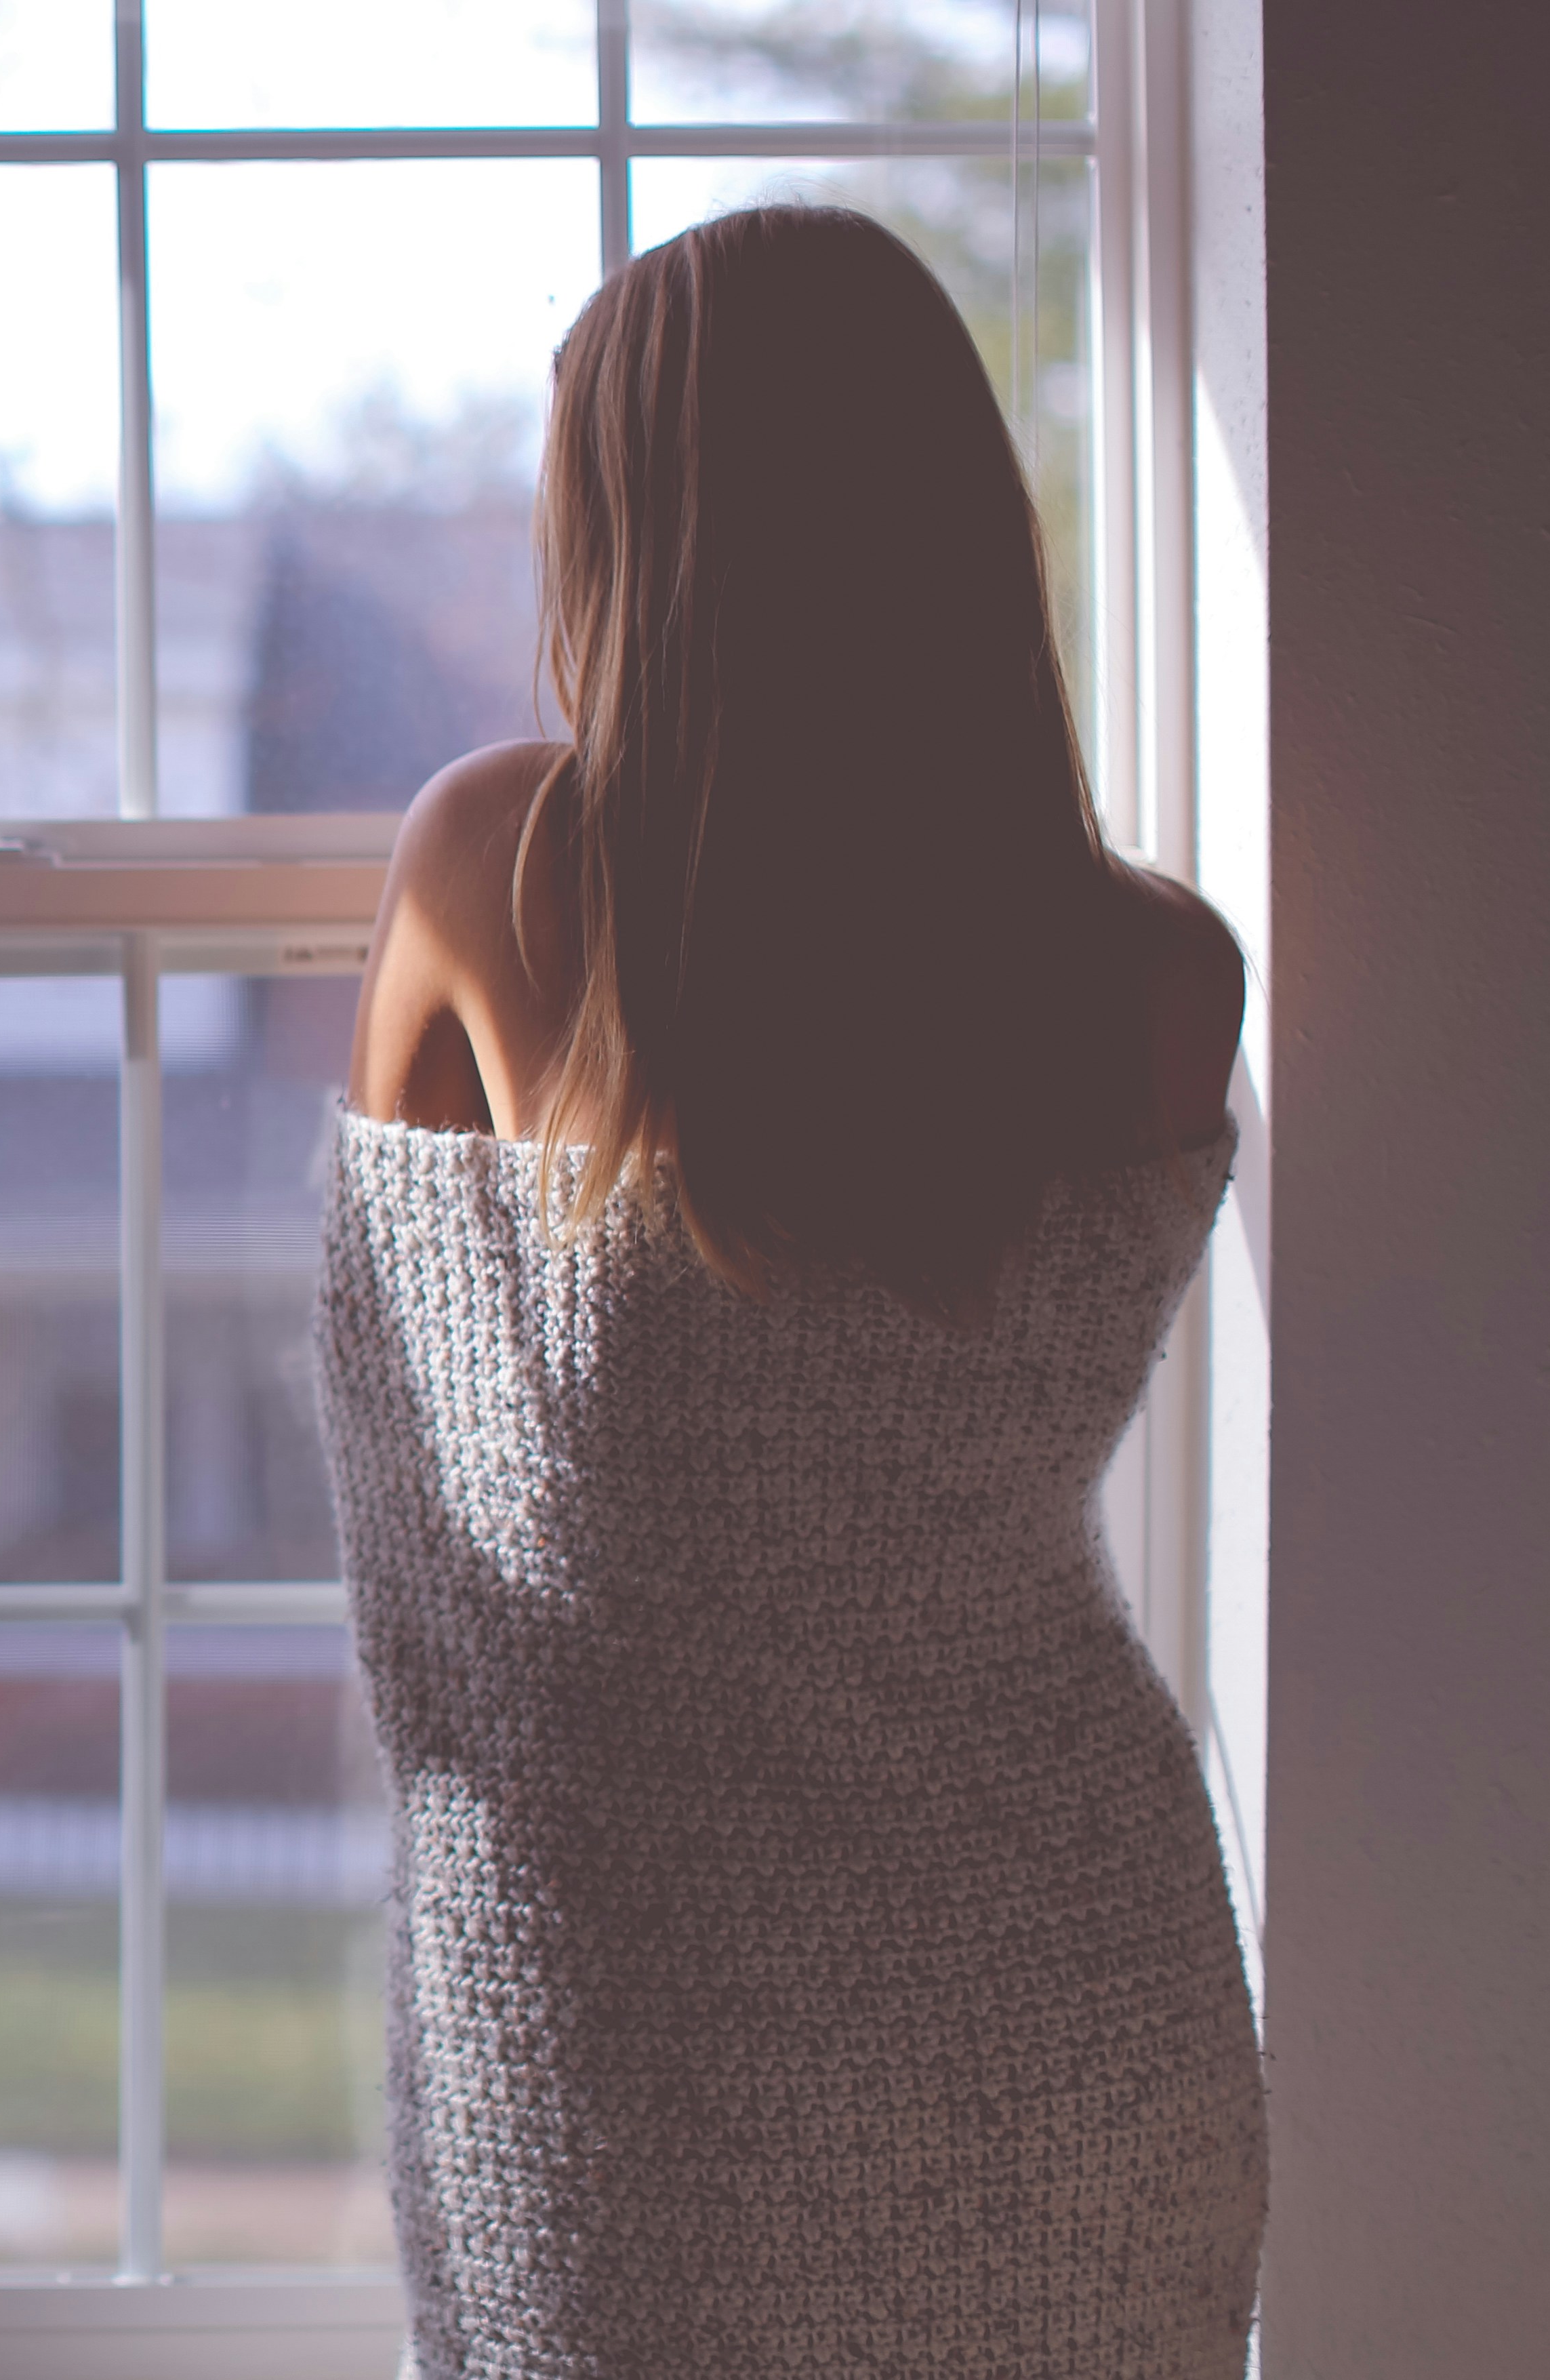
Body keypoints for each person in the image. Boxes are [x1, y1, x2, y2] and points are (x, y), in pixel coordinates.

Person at [321, 205, 1263, 2377]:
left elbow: (427, 1488)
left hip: (626, 2002)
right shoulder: (1159, 967)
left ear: (635, 532)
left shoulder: (501, 868)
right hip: (1073, 1978)